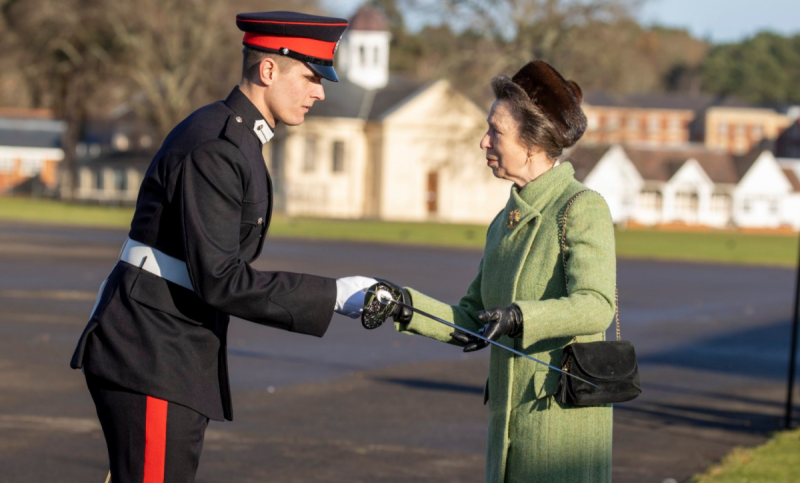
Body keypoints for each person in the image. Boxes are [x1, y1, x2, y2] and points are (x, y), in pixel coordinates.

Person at [70, 11, 376, 483]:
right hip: (152, 353)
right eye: (311, 77)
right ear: (268, 70)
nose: (320, 91)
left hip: (167, 352)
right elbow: (220, 277)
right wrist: (333, 296)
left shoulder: (236, 137)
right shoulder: (217, 146)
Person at [376, 60, 616, 482]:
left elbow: (597, 306)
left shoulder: (582, 207)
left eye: (496, 131)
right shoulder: (504, 221)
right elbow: (473, 318)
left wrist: (521, 317)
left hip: (561, 433)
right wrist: (403, 305)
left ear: (532, 143)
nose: (483, 141)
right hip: (508, 427)